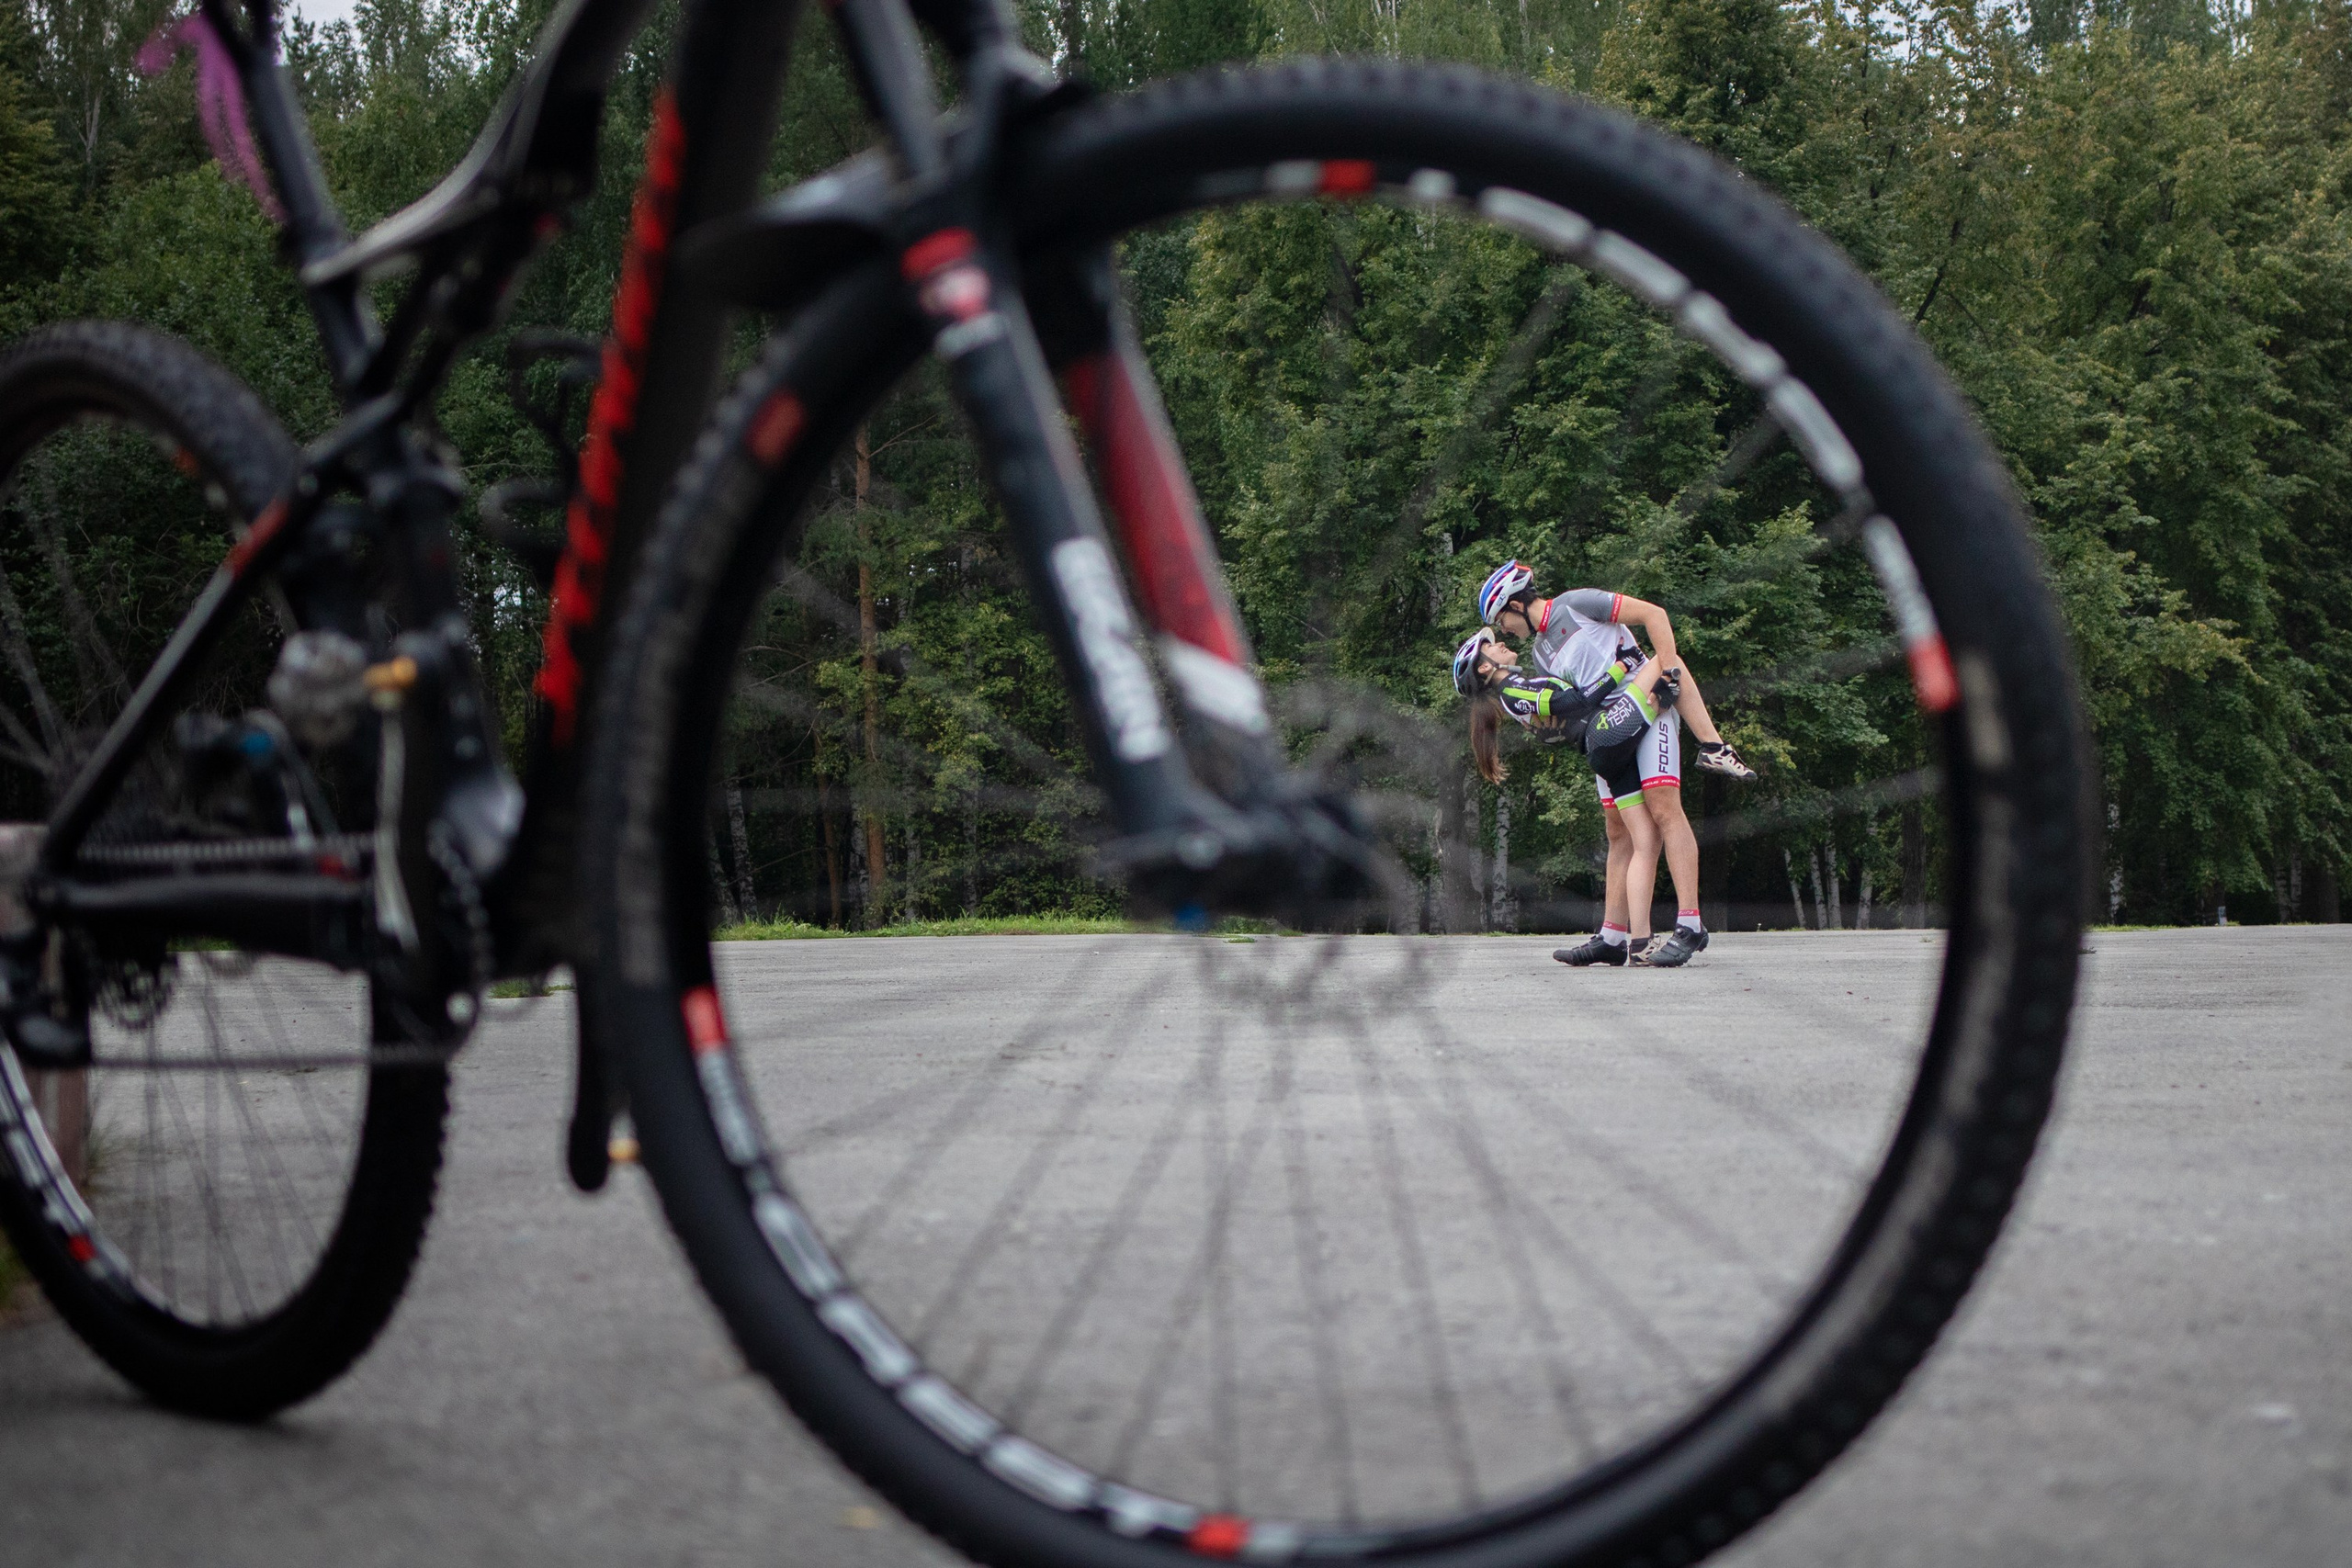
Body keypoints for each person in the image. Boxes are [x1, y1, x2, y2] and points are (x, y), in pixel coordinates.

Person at [1475, 561, 1756, 968]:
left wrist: (1671, 671)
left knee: (1663, 809)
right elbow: (1572, 702)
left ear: (1517, 604)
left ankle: (1690, 923)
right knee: (1618, 832)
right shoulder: (1538, 652)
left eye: (1501, 620)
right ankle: (1612, 936)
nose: (1503, 630)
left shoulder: (1576, 604)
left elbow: (1653, 615)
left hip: (1649, 709)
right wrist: (1548, 725)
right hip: (1610, 727)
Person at [1453, 628, 1689, 967]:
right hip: (1605, 732)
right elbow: (1574, 701)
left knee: (1643, 839)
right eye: (1491, 646)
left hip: (1602, 744)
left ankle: (1625, 940)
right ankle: (1641, 941)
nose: (1501, 644)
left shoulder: (1515, 691)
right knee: (1664, 658)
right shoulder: (1512, 691)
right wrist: (1622, 667)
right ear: (1485, 668)